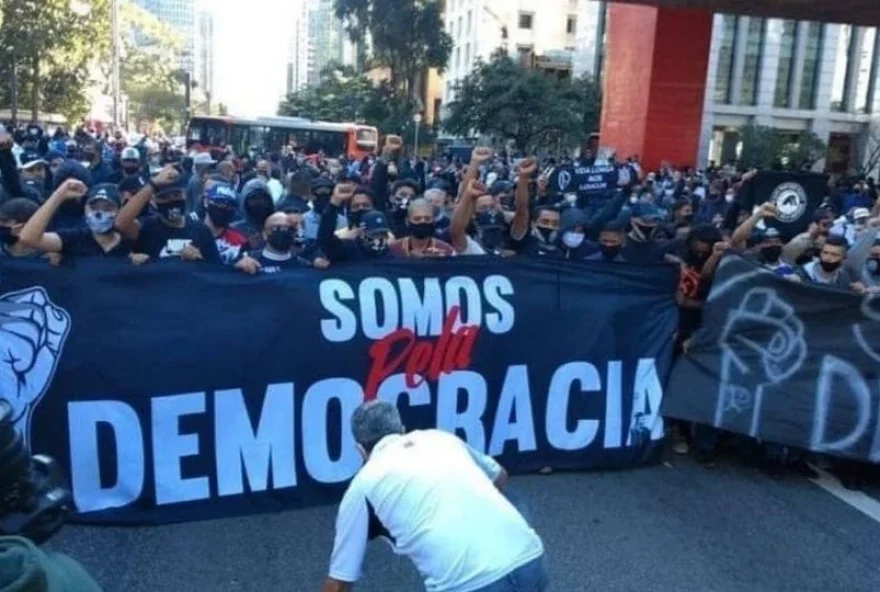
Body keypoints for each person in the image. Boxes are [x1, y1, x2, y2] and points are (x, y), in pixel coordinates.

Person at [321, 400, 547, 592]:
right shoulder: (440, 438)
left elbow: (339, 583)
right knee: (515, 499)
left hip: (469, 585)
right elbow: (500, 476)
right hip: (530, 559)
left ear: (360, 449)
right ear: (402, 429)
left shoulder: (362, 484)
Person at [115, 166, 221, 264]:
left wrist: (199, 259)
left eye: (176, 194)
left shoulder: (200, 229)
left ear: (184, 195)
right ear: (153, 201)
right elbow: (120, 224)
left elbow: (216, 269)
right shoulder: (146, 227)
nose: (172, 200)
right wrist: (152, 185)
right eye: (165, 197)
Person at [19, 181, 136, 260]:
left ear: (120, 210)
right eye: (94, 207)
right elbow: (28, 237)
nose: (99, 213)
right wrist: (59, 195)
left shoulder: (130, 241)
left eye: (107, 208)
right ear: (84, 208)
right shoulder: (74, 238)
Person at [235, 211, 329, 274]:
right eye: (276, 228)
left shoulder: (303, 265)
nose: (282, 232)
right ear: (264, 234)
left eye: (288, 229)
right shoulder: (248, 259)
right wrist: (237, 266)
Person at [319, 183, 394, 262]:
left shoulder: (391, 240)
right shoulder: (342, 239)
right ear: (349, 211)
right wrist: (334, 203)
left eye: (366, 205)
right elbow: (324, 242)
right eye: (355, 206)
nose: (361, 209)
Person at [387, 198, 456, 258]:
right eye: (417, 219)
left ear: (433, 220)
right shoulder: (393, 249)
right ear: (407, 221)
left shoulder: (446, 250)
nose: (422, 222)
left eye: (427, 219)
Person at [203, 183, 250, 264]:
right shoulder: (190, 234)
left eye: (230, 206)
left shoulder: (240, 241)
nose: (225, 208)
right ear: (206, 202)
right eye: (220, 203)